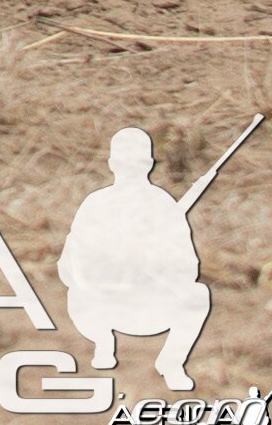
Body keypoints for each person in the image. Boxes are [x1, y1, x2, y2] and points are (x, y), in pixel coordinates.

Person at [60, 128, 217, 392]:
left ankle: (171, 362)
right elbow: (70, 263)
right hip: (100, 304)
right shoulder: (96, 204)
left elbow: (188, 268)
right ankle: (103, 344)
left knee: (198, 294)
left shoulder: (163, 205)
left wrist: (155, 265)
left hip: (148, 305)